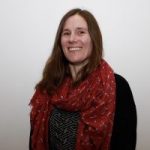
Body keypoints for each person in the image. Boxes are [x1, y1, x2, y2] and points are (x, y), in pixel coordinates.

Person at [29, 8, 137, 150]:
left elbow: (125, 144)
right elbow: (33, 140)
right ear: (60, 42)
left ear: (93, 38)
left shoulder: (118, 87)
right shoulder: (48, 86)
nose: (72, 39)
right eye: (66, 33)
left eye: (81, 32)